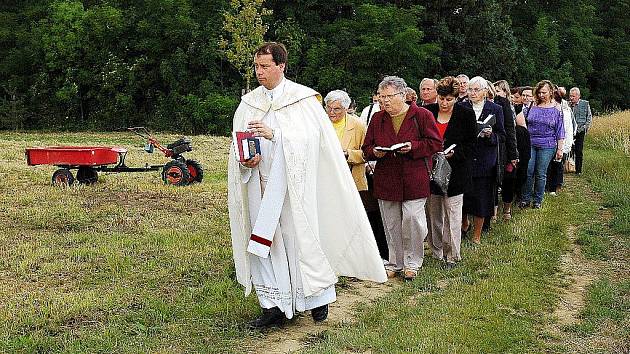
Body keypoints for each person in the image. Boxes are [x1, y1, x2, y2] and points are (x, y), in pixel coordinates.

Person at [228, 42, 386, 329]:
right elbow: (236, 143)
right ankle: (273, 305)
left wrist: (276, 135)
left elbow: (313, 143)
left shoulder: (302, 100)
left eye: (265, 66)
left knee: (301, 240)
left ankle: (316, 298)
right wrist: (244, 160)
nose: (259, 72)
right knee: (267, 245)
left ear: (281, 66)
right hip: (259, 188)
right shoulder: (249, 102)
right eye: (256, 66)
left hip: (293, 190)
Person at [362, 76, 442, 280]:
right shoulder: (377, 118)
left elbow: (435, 144)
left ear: (403, 95)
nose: (385, 101)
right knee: (391, 222)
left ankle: (413, 262)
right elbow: (367, 148)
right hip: (387, 176)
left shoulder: (421, 115)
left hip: (414, 176)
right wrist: (375, 152)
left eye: (389, 96)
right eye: (382, 97)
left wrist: (412, 147)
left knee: (413, 219)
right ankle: (395, 262)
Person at [424, 77, 477, 268]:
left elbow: (472, 144)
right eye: (441, 98)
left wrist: (455, 154)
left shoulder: (466, 114)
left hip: (456, 172)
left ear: (456, 98)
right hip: (432, 172)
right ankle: (436, 251)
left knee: (453, 215)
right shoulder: (428, 112)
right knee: (433, 214)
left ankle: (452, 255)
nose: (444, 103)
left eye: (449, 99)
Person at [460, 76, 505, 244]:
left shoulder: (496, 109)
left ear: (485, 91)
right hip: (465, 158)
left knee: (482, 198)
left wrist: (490, 135)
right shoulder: (461, 107)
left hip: (485, 160)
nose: (472, 93)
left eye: (476, 90)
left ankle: (477, 236)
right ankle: (464, 224)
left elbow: (502, 135)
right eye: (470, 89)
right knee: (463, 197)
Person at [517, 80, 565, 209]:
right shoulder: (532, 105)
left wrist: (560, 149)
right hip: (530, 142)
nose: (541, 95)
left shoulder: (557, 108)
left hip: (548, 144)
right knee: (528, 170)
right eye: (539, 92)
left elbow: (560, 130)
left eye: (544, 92)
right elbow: (519, 117)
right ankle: (525, 198)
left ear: (550, 92)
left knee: (540, 172)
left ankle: (537, 200)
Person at [324, 90, 368, 191]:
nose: (331, 112)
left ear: (346, 108)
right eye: (328, 108)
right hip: (325, 178)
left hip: (349, 181)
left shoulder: (358, 125)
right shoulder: (320, 124)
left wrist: (348, 154)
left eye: (336, 109)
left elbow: (367, 153)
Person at [492, 80, 519, 221]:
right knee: (493, 181)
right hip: (494, 147)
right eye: (494, 90)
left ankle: (507, 209)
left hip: (506, 147)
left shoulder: (506, 105)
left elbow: (510, 130)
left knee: (508, 178)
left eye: (498, 91)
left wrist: (513, 153)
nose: (496, 94)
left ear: (505, 92)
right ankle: (493, 212)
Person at [546, 86, 574, 195]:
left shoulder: (565, 113)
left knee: (556, 165)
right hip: (547, 143)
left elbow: (568, 130)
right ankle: (545, 187)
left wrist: (564, 147)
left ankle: (554, 187)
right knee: (546, 166)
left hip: (559, 144)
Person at [569, 87, 592, 175]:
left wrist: (585, 128)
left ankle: (578, 170)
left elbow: (589, 117)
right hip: (570, 131)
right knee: (570, 149)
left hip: (580, 130)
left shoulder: (585, 104)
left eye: (573, 96)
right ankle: (569, 166)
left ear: (578, 96)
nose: (571, 98)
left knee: (579, 150)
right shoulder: (567, 105)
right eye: (570, 96)